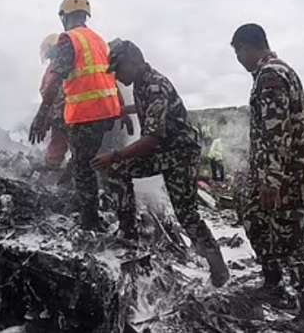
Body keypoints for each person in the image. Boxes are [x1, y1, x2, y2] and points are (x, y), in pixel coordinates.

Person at [91, 40, 230, 287]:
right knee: (117, 172)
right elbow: (147, 109)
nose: (117, 76)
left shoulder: (155, 84)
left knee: (186, 213)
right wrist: (125, 110)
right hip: (164, 151)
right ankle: (128, 234)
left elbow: (152, 138)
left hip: (180, 154)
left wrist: (115, 155)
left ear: (133, 61)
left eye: (118, 68)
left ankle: (219, 269)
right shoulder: (141, 82)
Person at [230, 23, 304, 331]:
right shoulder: (272, 73)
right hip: (273, 174)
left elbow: (276, 133)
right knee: (253, 220)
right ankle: (273, 284)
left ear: (247, 47)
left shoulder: (271, 76)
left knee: (291, 244)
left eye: (238, 52)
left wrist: (271, 180)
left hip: (284, 178)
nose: (239, 59)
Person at [29, 0, 132, 230]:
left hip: (85, 115)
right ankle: (125, 222)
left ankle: (90, 223)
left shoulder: (69, 40)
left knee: (83, 171)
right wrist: (121, 109)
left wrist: (41, 114)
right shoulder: (98, 40)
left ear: (65, 17)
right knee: (100, 165)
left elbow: (55, 80)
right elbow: (110, 76)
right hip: (107, 114)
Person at [38, 33, 69, 170]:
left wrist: (45, 116)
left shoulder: (57, 68)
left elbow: (54, 93)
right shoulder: (57, 65)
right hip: (65, 113)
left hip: (62, 115)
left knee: (56, 151)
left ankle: (52, 170)